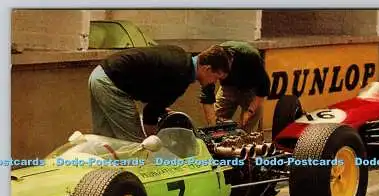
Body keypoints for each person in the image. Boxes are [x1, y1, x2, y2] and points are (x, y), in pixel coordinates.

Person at [88, 45, 232, 142]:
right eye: (216, 77)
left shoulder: (181, 57)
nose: (214, 82)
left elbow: (151, 82)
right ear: (207, 69)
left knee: (105, 140)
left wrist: (160, 108)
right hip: (112, 83)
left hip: (99, 74)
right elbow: (149, 115)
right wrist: (155, 143)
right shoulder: (180, 77)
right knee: (134, 146)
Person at [200, 41, 271, 132]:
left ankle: (244, 138)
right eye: (218, 75)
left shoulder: (250, 57)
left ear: (231, 61)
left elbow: (264, 86)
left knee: (249, 120)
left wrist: (250, 111)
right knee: (217, 118)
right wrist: (212, 125)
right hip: (227, 86)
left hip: (250, 87)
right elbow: (207, 95)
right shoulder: (212, 58)